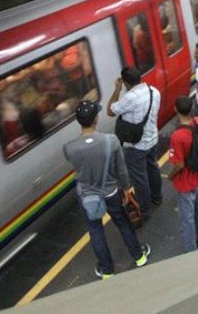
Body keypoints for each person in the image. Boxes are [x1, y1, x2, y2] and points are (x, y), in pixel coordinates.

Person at [64, 101, 150, 279]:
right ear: (96, 118)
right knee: (123, 223)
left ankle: (107, 270)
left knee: (95, 231)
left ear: (79, 121)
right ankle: (139, 256)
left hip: (87, 197)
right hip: (111, 192)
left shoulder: (69, 148)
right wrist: (127, 189)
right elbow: (121, 169)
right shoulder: (111, 141)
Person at [106, 67, 162, 220]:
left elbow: (110, 110)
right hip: (152, 139)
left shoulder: (129, 98)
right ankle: (157, 197)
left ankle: (144, 211)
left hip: (135, 146)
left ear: (125, 82)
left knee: (139, 178)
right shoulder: (154, 91)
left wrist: (116, 90)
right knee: (153, 167)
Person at [165, 96, 198, 253]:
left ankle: (191, 251)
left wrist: (170, 176)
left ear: (176, 110)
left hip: (185, 183)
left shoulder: (177, 136)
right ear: (191, 108)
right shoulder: (197, 121)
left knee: (187, 219)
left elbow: (179, 164)